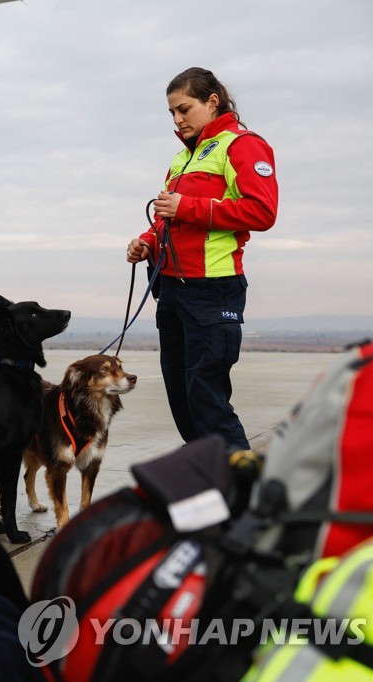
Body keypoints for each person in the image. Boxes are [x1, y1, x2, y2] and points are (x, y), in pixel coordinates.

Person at [126, 67, 278, 449]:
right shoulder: (182, 159)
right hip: (172, 291)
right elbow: (168, 219)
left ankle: (244, 490)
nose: (177, 120)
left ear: (212, 102)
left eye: (184, 109)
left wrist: (188, 207)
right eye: (172, 113)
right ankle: (211, 483)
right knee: (181, 397)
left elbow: (262, 212)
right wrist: (147, 241)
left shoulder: (242, 145)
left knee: (206, 398)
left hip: (213, 291)